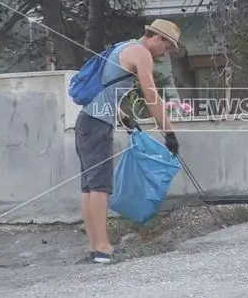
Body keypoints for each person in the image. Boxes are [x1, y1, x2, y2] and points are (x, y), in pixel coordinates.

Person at [74, 18, 182, 264]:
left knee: (89, 186)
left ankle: (95, 246)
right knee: (100, 186)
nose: (166, 53)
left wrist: (124, 117)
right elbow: (151, 96)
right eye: (166, 47)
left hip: (87, 122)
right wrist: (169, 133)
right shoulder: (141, 53)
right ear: (156, 38)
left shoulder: (123, 46)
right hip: (97, 125)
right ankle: (103, 248)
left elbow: (106, 90)